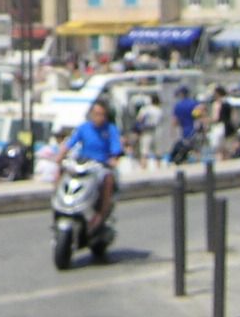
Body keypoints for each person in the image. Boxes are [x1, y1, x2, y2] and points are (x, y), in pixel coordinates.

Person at [59, 101, 123, 233]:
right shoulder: (83, 128)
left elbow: (116, 149)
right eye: (96, 114)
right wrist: (59, 156)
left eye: (101, 114)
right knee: (62, 173)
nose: (98, 117)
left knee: (108, 180)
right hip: (83, 164)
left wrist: (113, 159)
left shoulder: (110, 129)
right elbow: (70, 143)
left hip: (101, 165)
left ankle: (101, 215)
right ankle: (60, 203)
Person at [170, 87, 200, 164]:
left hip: (183, 129)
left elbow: (175, 121)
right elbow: (198, 115)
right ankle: (198, 162)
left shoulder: (178, 106)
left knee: (184, 147)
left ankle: (186, 161)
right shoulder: (194, 103)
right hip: (194, 128)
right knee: (196, 148)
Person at [136, 93, 163, 169]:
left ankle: (144, 167)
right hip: (156, 130)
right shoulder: (158, 110)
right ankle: (158, 166)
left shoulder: (145, 109)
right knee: (157, 150)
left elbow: (139, 119)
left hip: (146, 131)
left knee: (144, 151)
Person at [208, 86, 235, 160]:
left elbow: (216, 118)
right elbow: (233, 116)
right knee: (227, 150)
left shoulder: (217, 104)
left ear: (217, 94)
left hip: (219, 127)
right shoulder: (228, 102)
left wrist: (205, 119)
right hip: (228, 127)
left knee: (219, 150)